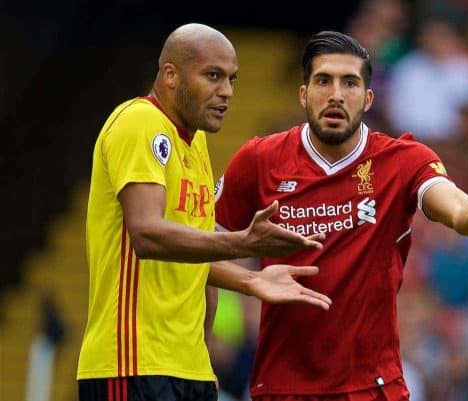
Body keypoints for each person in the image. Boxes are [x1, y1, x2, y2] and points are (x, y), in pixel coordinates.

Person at [215, 31, 468, 401]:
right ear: (303, 95)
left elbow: (458, 210)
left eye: (350, 83)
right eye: (323, 81)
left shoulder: (403, 160)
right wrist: (248, 282)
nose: (335, 94)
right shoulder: (258, 160)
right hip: (284, 386)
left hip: (373, 387)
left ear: (368, 98)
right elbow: (199, 247)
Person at [77, 24, 332, 401]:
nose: (226, 91)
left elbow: (194, 252)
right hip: (132, 363)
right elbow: (146, 235)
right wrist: (240, 243)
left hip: (190, 368)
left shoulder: (195, 145)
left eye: (232, 79)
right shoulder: (139, 122)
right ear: (170, 75)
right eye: (213, 76)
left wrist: (247, 283)